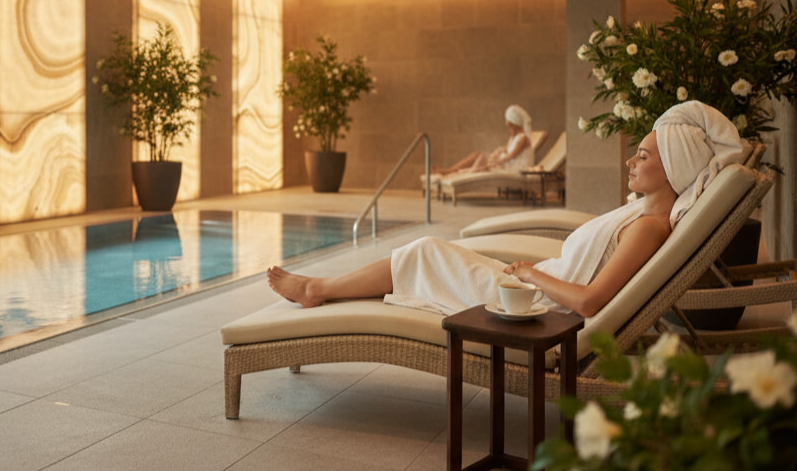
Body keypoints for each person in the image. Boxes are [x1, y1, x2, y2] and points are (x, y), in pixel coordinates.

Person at [269, 101, 747, 319]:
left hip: (532, 305)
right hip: (531, 286)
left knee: (425, 249)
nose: (630, 160)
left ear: (674, 169)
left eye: (642, 156)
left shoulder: (647, 228)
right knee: (432, 250)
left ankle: (317, 289)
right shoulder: (642, 214)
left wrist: (530, 275)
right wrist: (532, 272)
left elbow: (588, 302)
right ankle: (320, 289)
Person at [432, 104, 534, 175]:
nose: (508, 127)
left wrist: (495, 161)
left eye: (510, 125)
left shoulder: (523, 139)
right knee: (477, 154)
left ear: (515, 124)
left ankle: (460, 173)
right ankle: (451, 170)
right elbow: (507, 151)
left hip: (514, 169)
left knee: (483, 157)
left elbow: (511, 156)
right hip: (505, 164)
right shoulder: (513, 138)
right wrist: (499, 152)